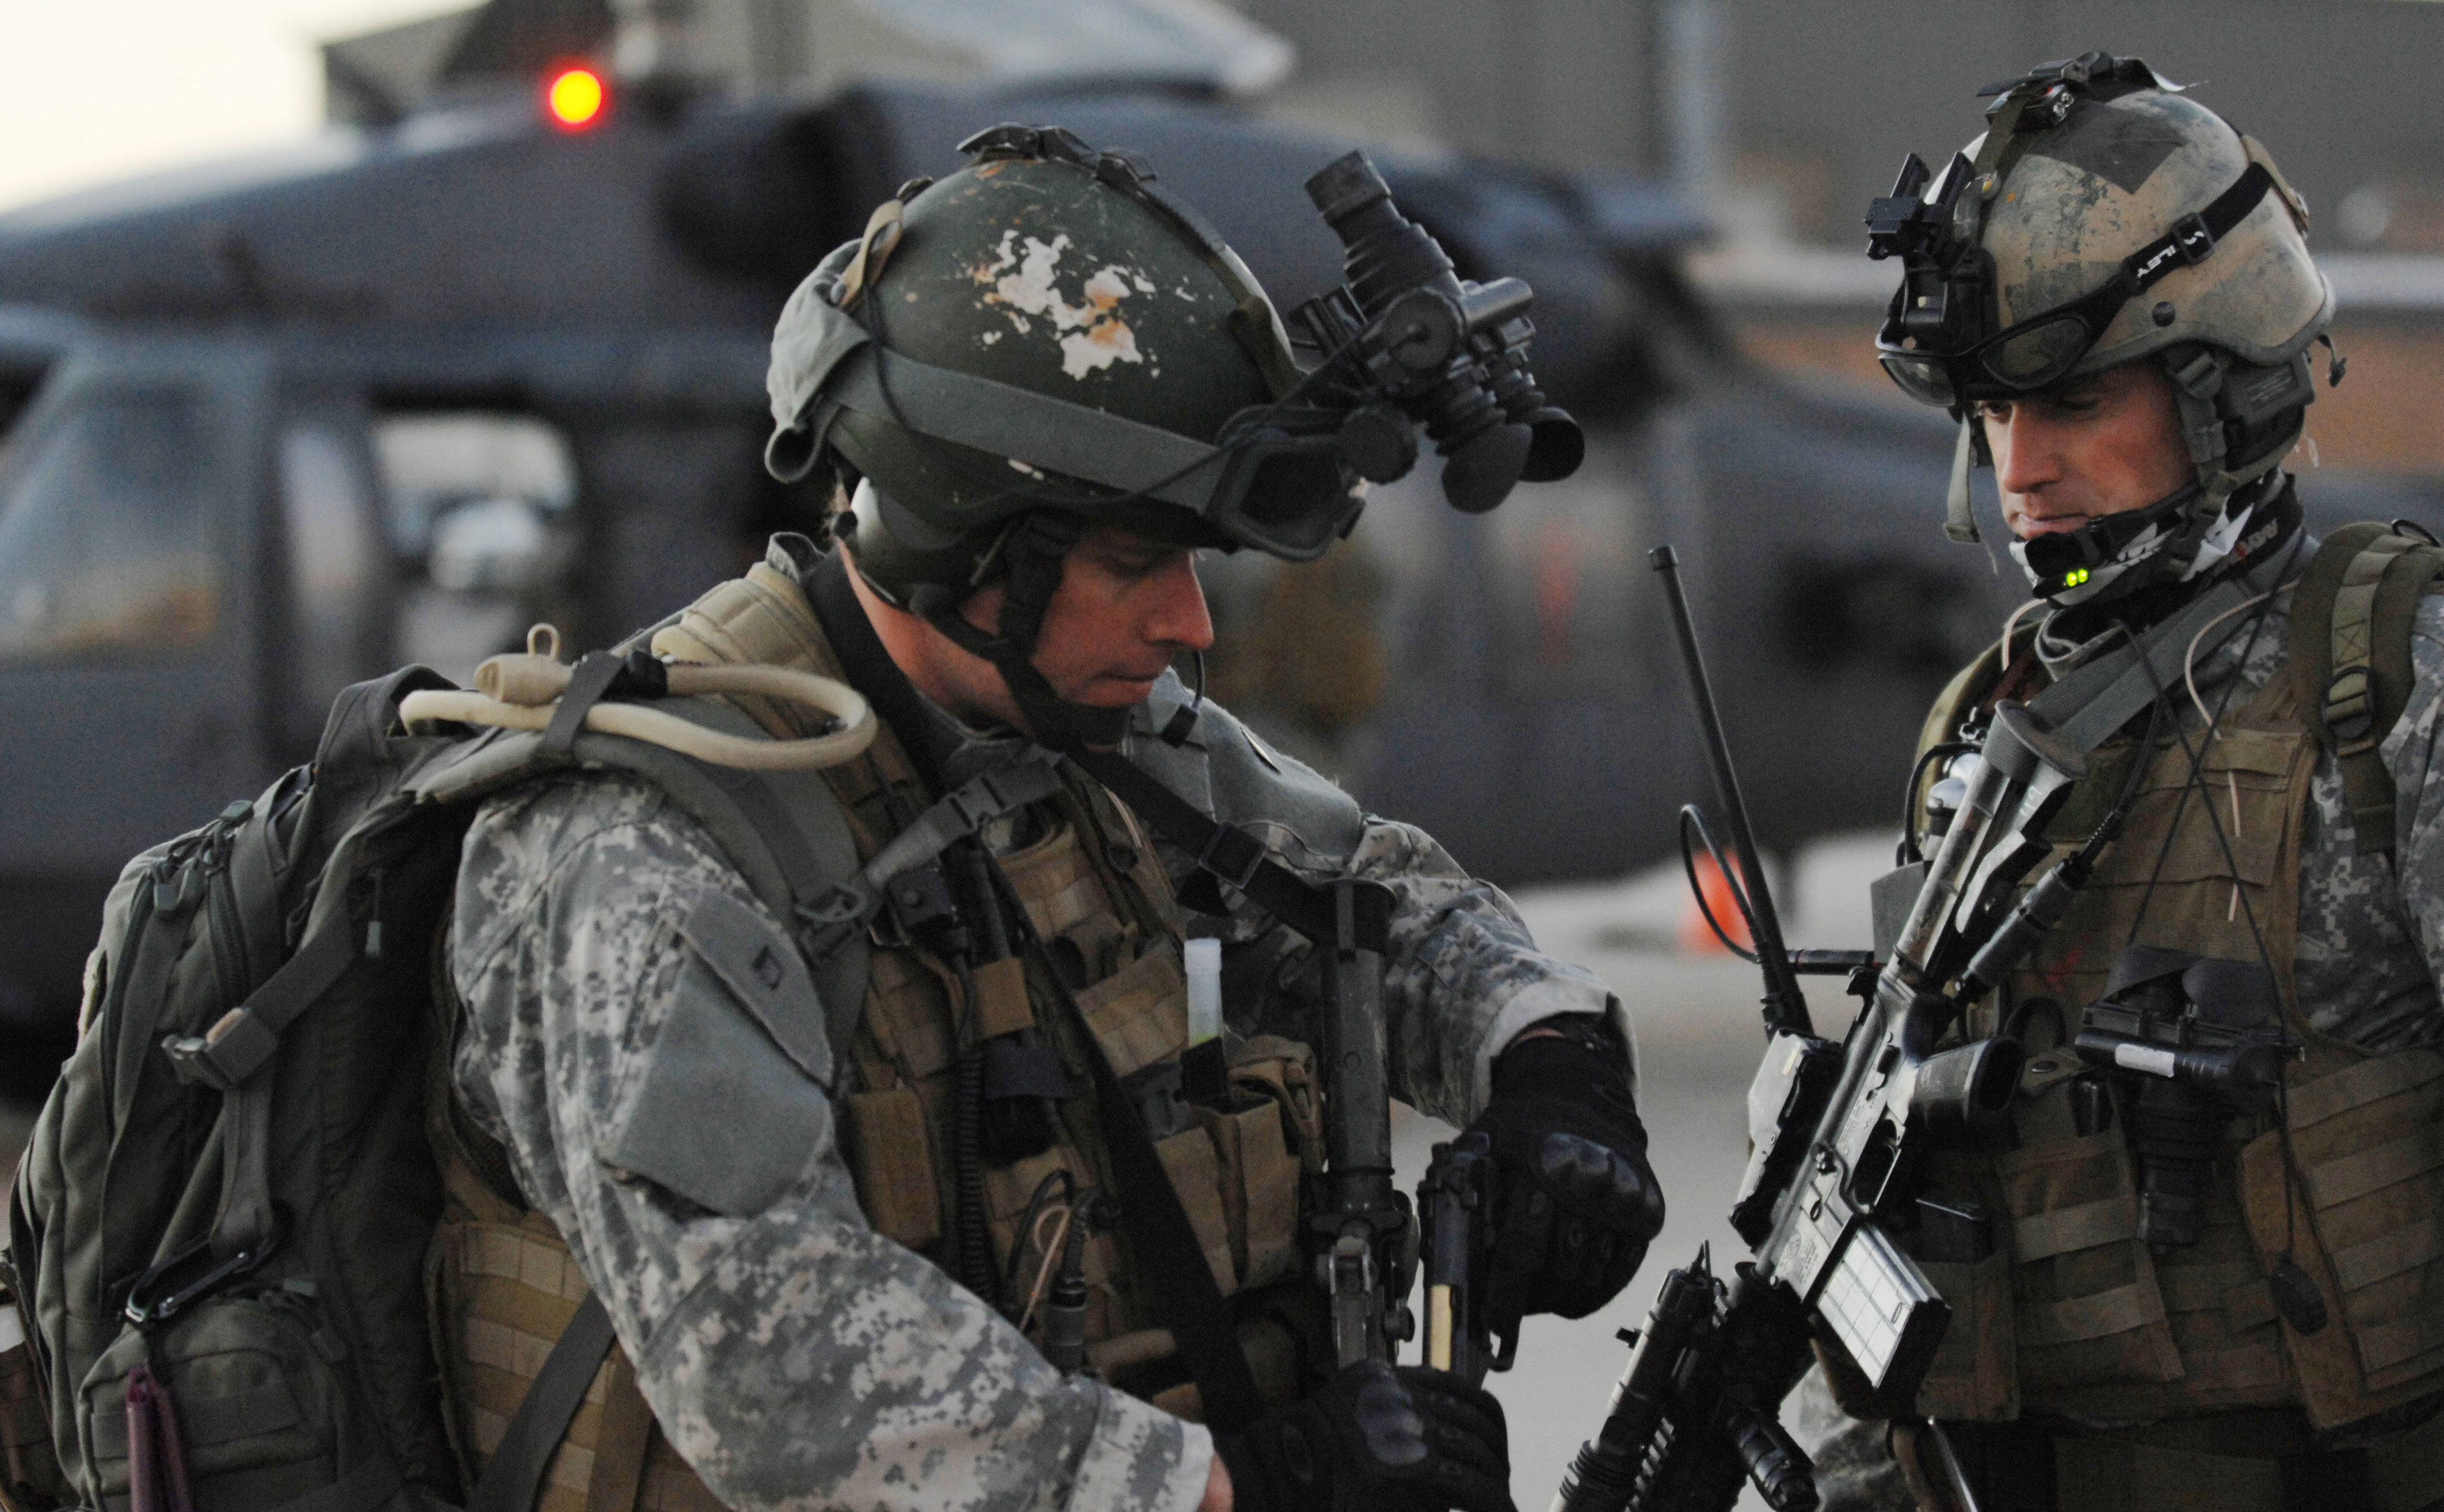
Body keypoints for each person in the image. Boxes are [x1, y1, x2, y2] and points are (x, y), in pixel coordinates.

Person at [434, 124, 1663, 1512]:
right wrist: (1239, 1486)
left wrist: (1548, 1061)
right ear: (961, 540)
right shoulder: (646, 849)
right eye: (1134, 561)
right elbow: (771, 1356)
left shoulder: (1080, 736)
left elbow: (1360, 891)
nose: (1188, 622)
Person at [1797, 52, 2444, 1512]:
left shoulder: (2395, 690)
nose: (2021, 469)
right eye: (1988, 414)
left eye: (2074, 399)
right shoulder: (1993, 728)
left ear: (2222, 384)